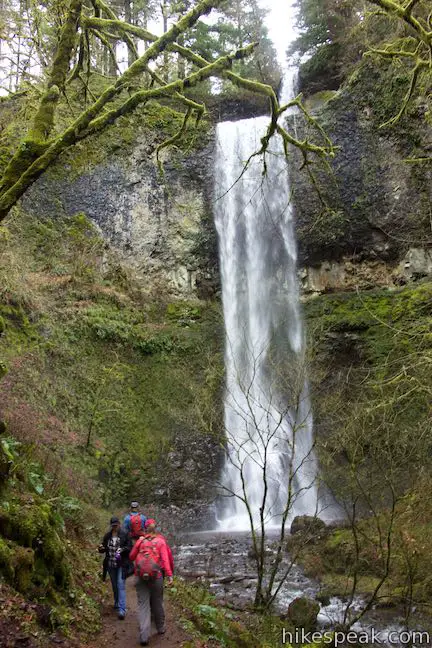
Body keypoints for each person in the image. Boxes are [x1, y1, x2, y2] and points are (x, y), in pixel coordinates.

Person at [129, 519, 174, 646]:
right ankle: (160, 628)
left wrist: (139, 546)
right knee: (157, 602)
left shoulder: (140, 541)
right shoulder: (160, 541)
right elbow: (165, 560)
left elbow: (131, 556)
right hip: (157, 576)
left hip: (140, 577)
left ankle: (144, 635)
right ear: (156, 529)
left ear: (145, 529)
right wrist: (170, 576)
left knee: (143, 605)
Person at [98, 516, 130, 620]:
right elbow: (103, 549)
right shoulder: (107, 536)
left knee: (120, 585)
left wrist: (122, 549)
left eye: (116, 525)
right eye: (113, 526)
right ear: (111, 526)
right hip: (110, 564)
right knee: (114, 585)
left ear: (119, 524)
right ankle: (116, 601)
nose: (115, 527)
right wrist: (101, 548)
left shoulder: (125, 534)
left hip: (121, 564)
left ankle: (122, 609)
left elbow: (130, 547)